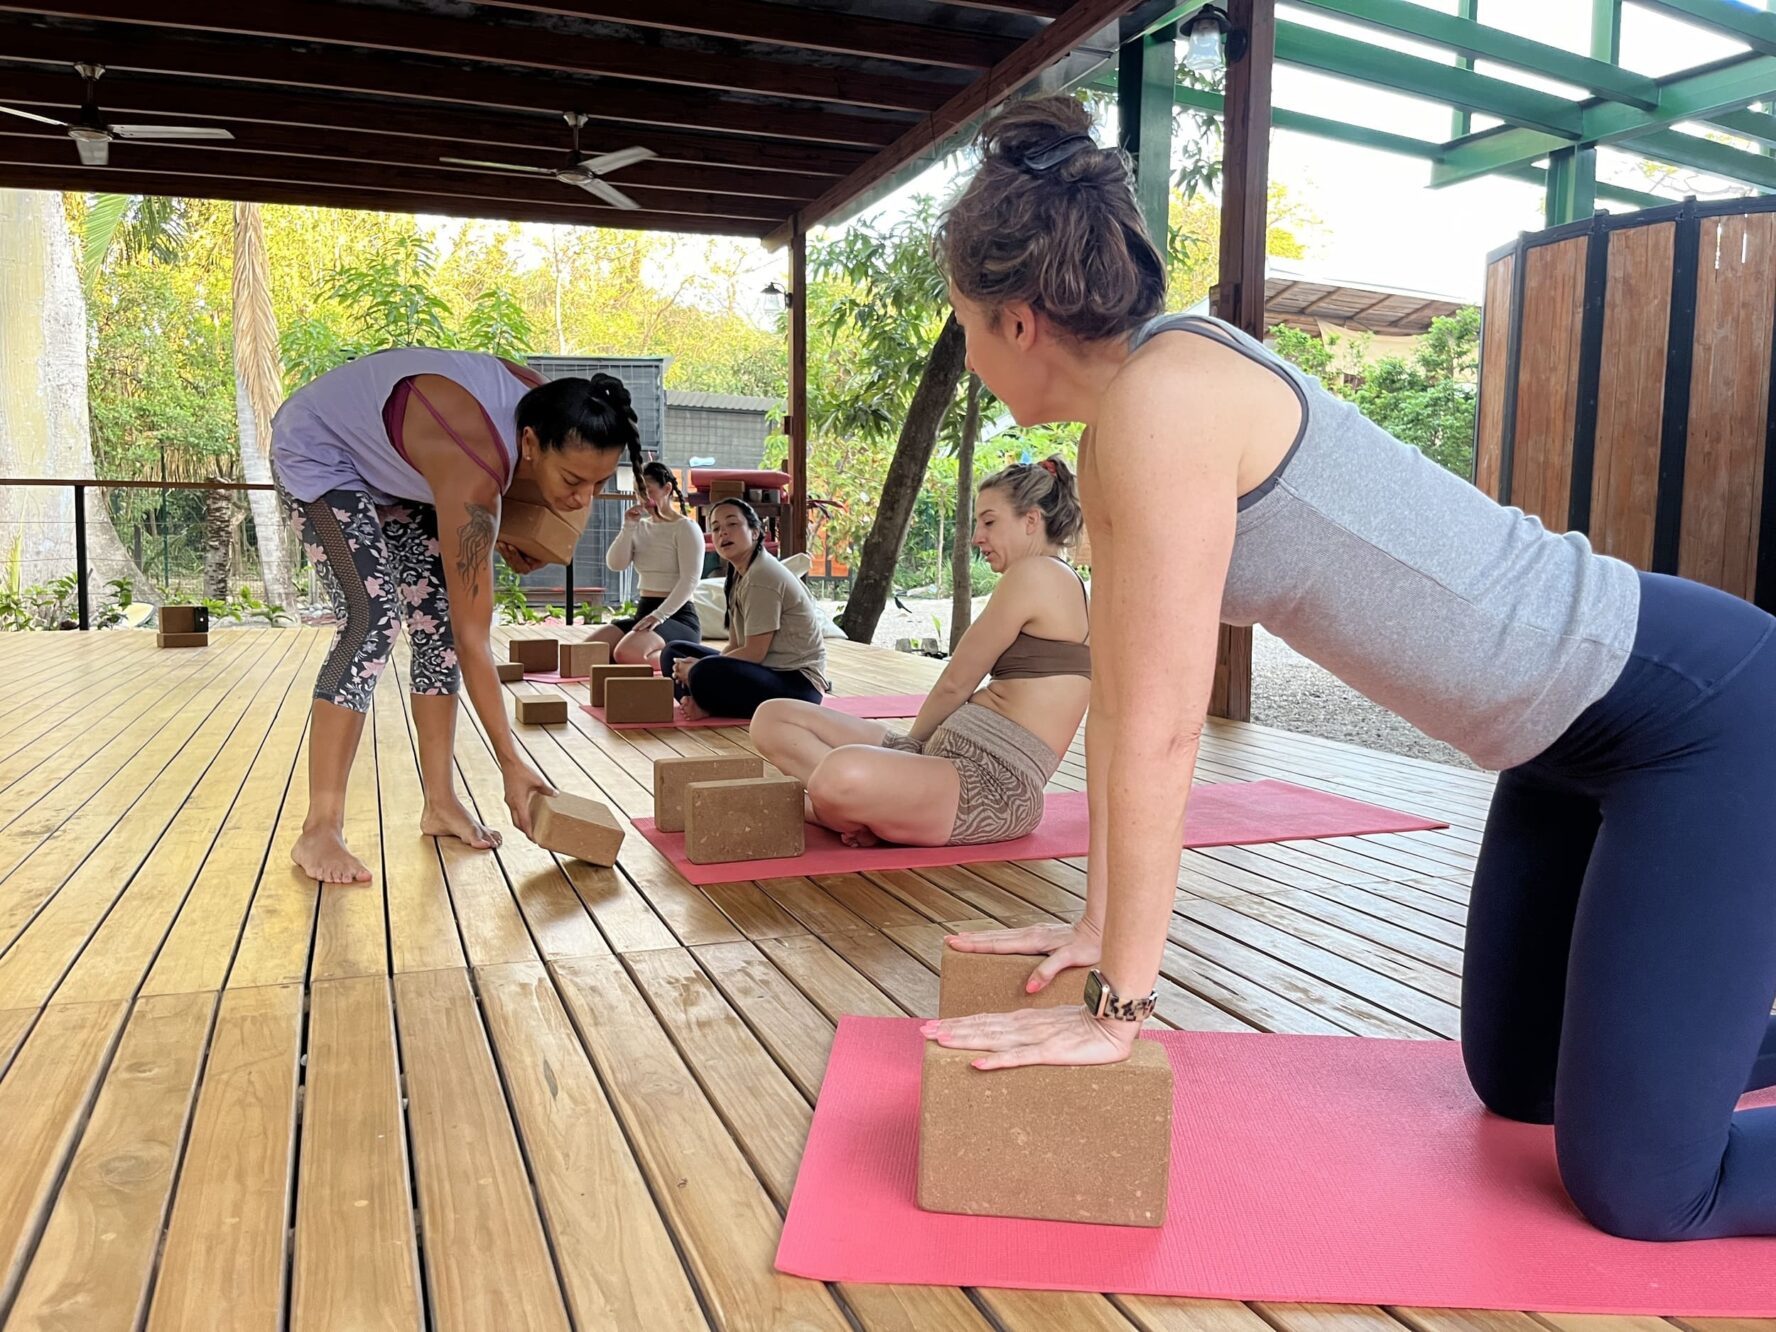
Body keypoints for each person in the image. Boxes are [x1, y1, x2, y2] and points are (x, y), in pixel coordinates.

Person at [921, 94, 1776, 1243]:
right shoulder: (1129, 417)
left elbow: (1171, 735)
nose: (969, 356)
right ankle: (1697, 1024)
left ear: (1017, 321)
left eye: (964, 326)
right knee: (1518, 1082)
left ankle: (1685, 1048)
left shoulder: (1167, 403)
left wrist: (1121, 1002)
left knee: (1646, 1191)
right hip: (1561, 754)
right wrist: (1093, 931)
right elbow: (1125, 706)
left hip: (1698, 720)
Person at [271, 350, 643, 885]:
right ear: (533, 444)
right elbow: (478, 639)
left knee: (437, 628)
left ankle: (440, 803)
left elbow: (460, 617)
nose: (582, 499)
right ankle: (320, 827)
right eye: (573, 480)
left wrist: (519, 528)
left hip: (403, 471)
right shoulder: (471, 467)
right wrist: (511, 764)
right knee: (372, 619)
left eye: (599, 483)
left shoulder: (564, 407)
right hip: (321, 449)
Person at [753, 459, 1088, 848]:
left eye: (990, 522)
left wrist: (911, 748)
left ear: (1031, 520)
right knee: (773, 716)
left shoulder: (1037, 574)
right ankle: (864, 811)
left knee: (841, 773)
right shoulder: (1055, 578)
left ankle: (842, 807)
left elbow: (957, 681)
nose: (977, 536)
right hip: (938, 755)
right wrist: (916, 750)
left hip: (990, 786)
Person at [659, 498, 827, 720]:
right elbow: (737, 646)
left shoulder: (762, 576)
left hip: (797, 686)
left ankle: (706, 704)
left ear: (756, 532)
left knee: (701, 670)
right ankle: (703, 700)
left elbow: (754, 653)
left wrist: (701, 668)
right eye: (716, 528)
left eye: (732, 524)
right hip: (764, 671)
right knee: (674, 653)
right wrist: (697, 666)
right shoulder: (740, 574)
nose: (723, 533)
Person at [586, 460, 704, 666]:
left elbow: (690, 580)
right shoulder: (639, 526)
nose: (642, 498)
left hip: (677, 617)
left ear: (667, 489)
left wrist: (659, 616)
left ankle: (686, 660)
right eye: (638, 492)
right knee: (587, 652)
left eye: (647, 491)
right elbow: (616, 564)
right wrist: (628, 527)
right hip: (645, 611)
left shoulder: (686, 527)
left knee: (625, 654)